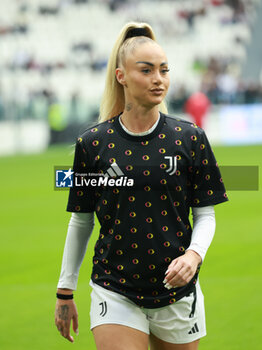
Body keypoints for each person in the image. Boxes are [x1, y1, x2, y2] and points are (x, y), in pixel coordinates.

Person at [55, 22, 228, 350]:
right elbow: (81, 219)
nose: (158, 78)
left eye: (164, 70)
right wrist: (65, 291)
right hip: (114, 288)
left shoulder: (190, 139)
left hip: (178, 292)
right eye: (146, 70)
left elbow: (206, 215)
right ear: (121, 76)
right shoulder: (92, 144)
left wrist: (193, 255)